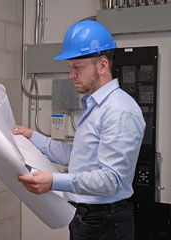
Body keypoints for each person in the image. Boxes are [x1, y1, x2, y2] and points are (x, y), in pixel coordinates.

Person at [13, 20, 145, 240]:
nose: (71, 74)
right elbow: (78, 156)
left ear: (102, 65)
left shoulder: (120, 111)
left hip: (106, 222)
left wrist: (53, 181)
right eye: (70, 67)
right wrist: (33, 137)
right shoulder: (93, 105)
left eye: (78, 67)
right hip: (87, 217)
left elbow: (111, 179)